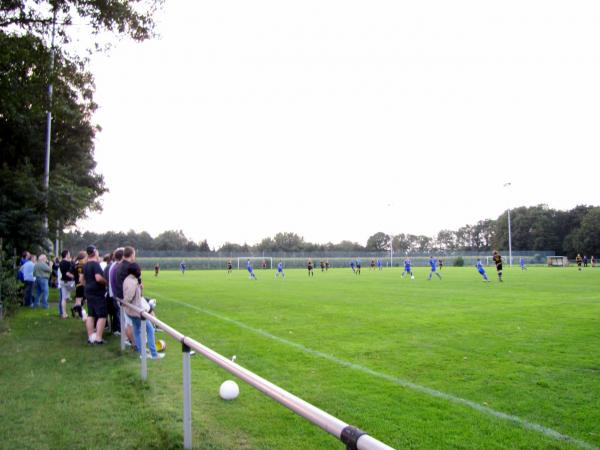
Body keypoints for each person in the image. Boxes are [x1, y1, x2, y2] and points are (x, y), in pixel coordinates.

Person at [122, 263, 163, 359]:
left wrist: (140, 288)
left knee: (137, 330)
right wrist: (125, 302)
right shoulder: (133, 282)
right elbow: (128, 297)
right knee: (150, 330)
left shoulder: (127, 279)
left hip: (130, 312)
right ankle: (154, 354)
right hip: (137, 312)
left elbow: (137, 295)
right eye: (139, 270)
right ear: (136, 271)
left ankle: (142, 353)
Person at [83, 245, 107, 344]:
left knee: (91, 314)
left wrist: (88, 286)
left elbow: (82, 280)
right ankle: (98, 338)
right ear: (95, 252)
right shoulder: (95, 264)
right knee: (102, 315)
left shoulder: (85, 265)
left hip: (88, 291)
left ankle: (90, 337)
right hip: (97, 292)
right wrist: (106, 281)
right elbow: (98, 278)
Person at [59, 250, 75, 319]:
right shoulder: (69, 263)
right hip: (70, 282)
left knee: (63, 298)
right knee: (79, 296)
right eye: (69, 253)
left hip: (63, 281)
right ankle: (78, 310)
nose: (70, 254)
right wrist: (75, 277)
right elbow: (69, 273)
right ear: (66, 255)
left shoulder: (61, 263)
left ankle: (64, 313)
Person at [71, 251, 87, 319]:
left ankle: (75, 309)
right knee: (80, 300)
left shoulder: (76, 265)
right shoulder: (81, 266)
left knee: (80, 299)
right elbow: (81, 276)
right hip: (80, 284)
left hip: (77, 284)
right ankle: (79, 313)